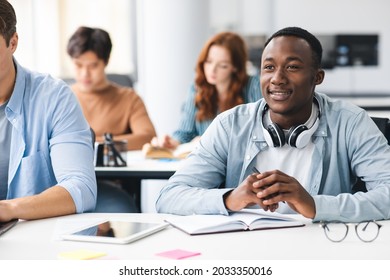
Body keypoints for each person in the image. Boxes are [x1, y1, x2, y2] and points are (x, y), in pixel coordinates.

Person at [156, 26, 390, 223]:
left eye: (292, 67)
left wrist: (314, 205)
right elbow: (170, 196)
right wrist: (229, 198)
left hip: (319, 249)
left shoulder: (351, 122)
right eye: (269, 67)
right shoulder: (230, 125)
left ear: (317, 77)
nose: (277, 78)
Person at [0, 0, 97, 222]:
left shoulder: (53, 97)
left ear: (12, 42)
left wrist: (10, 209)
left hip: (35, 237)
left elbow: (81, 188)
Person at [67, 26, 156, 213]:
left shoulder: (128, 98)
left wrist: (91, 143)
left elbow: (147, 137)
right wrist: (108, 142)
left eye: (93, 66)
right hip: (66, 185)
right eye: (78, 65)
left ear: (105, 62)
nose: (85, 74)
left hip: (110, 184)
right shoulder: (61, 97)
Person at [151, 31, 262, 150]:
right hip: (205, 162)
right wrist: (172, 142)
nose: (212, 70)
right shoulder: (197, 88)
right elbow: (185, 133)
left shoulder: (253, 86)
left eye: (223, 65)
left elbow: (260, 132)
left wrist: (208, 141)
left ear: (235, 67)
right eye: (208, 62)